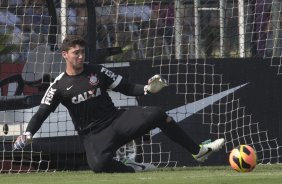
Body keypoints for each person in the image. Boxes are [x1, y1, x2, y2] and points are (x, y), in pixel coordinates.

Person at [14, 35, 225, 173]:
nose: (80, 56)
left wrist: (147, 89)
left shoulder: (97, 71)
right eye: (75, 52)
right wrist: (28, 133)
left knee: (158, 113)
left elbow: (125, 86)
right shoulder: (58, 85)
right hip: (93, 135)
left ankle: (198, 151)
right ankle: (133, 168)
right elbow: (42, 112)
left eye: (82, 52)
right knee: (98, 165)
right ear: (65, 55)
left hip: (117, 120)